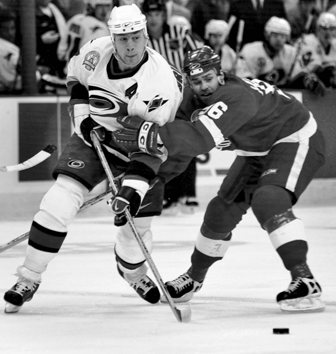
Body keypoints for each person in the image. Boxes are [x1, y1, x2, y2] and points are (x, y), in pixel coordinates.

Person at [110, 45, 326, 313]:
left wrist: (152, 136)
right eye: (197, 81)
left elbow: (198, 138)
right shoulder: (190, 99)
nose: (204, 87)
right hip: (256, 150)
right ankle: (194, 278)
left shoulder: (237, 96)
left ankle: (304, 278)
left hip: (295, 138)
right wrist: (149, 179)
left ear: (220, 75)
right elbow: (180, 152)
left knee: (269, 200)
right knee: (219, 211)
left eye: (209, 78)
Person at [3, 4, 184, 313]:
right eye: (122, 39)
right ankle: (29, 277)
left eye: (136, 38)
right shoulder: (95, 51)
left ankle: (133, 272)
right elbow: (76, 79)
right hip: (92, 140)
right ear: (111, 37)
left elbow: (152, 148)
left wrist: (132, 189)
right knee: (59, 202)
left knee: (135, 232)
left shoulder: (161, 85)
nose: (129, 46)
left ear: (146, 38)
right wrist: (83, 118)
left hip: (140, 153)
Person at [142, 0, 203, 214]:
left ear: (164, 15)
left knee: (188, 142)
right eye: (151, 14)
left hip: (183, 97)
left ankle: (188, 194)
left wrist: (195, 84)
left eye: (158, 13)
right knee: (163, 146)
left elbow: (198, 55)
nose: (155, 18)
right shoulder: (141, 38)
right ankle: (168, 195)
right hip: (156, 100)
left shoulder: (178, 30)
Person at [294, 12, 336, 89]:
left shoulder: (334, 44)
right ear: (318, 28)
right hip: (302, 81)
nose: (328, 33)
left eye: (332, 29)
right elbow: (300, 73)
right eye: (324, 28)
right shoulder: (307, 41)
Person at [35, 0, 67, 82]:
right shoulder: (29, 12)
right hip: (40, 64)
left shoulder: (56, 9)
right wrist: (41, 40)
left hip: (59, 62)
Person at [0, 9, 21, 93]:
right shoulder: (7, 49)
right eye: (6, 29)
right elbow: (12, 82)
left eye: (12, 28)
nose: (10, 33)